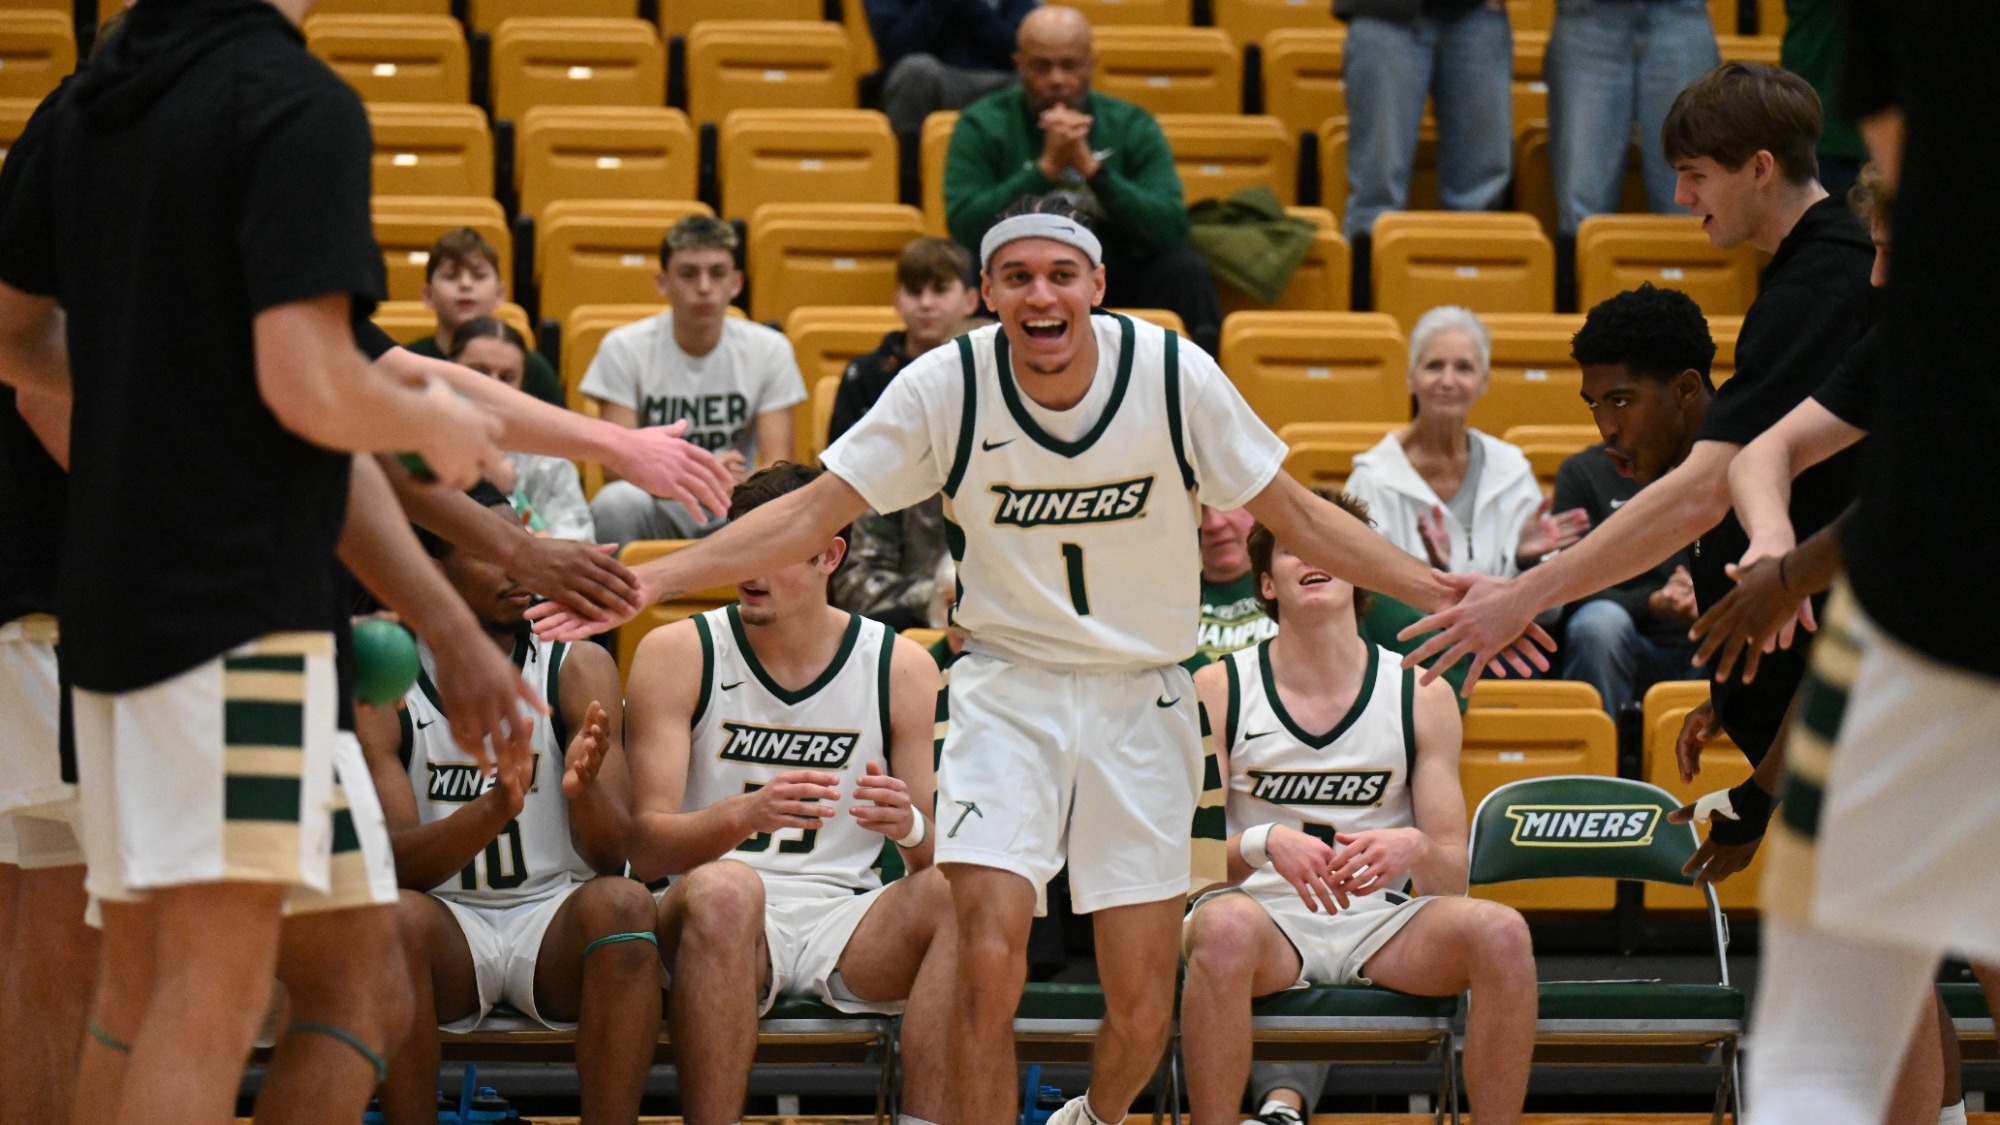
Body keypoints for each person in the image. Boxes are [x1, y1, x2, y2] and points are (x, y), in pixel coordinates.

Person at [532, 193, 1548, 1125]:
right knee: (985, 958)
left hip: (1142, 697)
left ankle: (1092, 1118)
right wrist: (654, 580)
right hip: (1005, 692)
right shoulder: (945, 385)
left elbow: (1293, 514)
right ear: (986, 295)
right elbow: (806, 510)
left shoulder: (1172, 374)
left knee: (1143, 1005)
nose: (1039, 293)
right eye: (1014, 276)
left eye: (1059, 273)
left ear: (1097, 287)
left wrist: (1447, 593)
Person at [1401, 62, 1874, 749]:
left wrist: (1522, 596)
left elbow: (1706, 490)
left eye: (1696, 173)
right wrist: (1732, 698)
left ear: (1761, 168)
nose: (1680, 195)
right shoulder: (1811, 272)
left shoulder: (1822, 285)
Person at [1682, 155, 1996, 1125]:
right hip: (1941, 665)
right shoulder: (1908, 343)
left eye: (1892, 255)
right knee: (1874, 924)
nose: (1871, 277)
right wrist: (1770, 538)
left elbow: (1907, 509)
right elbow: (1764, 452)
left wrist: (1781, 579)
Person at [1181, 502, 1535, 1125]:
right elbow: (1188, 870)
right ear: (1266, 583)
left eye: (1332, 547)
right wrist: (1265, 842)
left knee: (1503, 932)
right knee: (1222, 928)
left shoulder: (1423, 693)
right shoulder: (1218, 689)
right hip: (1261, 923)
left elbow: (1451, 877)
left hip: (1380, 923)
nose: (1313, 557)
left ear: (1359, 570)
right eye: (1292, 547)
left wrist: (1417, 849)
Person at [625, 462, 956, 1125]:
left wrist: (910, 828)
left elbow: (933, 857)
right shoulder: (677, 651)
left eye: (771, 549)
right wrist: (741, 813)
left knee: (963, 888)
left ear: (829, 554)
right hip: (713, 916)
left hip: (845, 917)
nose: (750, 568)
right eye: (739, 543)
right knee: (729, 889)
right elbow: (646, 848)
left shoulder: (902, 666)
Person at [359, 512, 659, 1125]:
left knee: (626, 905)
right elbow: (393, 868)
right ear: (432, 566)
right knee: (390, 920)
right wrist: (494, 808)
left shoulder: (577, 664)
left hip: (551, 921)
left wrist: (584, 791)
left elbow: (615, 856)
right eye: (492, 555)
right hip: (447, 927)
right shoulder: (387, 681)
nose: (518, 569)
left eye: (523, 552)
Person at [944, 6, 1224, 356]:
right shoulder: (982, 124)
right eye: (1042, 67)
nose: (1057, 79)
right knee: (965, 270)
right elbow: (965, 226)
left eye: (1070, 65)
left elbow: (1170, 227)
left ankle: (1208, 386)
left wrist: (1092, 170)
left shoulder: (1131, 125)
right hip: (1024, 280)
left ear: (1091, 63)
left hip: (1115, 273)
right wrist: (1045, 169)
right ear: (1020, 64)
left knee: (1185, 270)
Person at [583, 215, 807, 546]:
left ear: (736, 283)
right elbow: (617, 465)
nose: (704, 287)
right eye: (688, 273)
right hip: (660, 500)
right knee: (615, 503)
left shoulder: (770, 349)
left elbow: (775, 464)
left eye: (717, 273)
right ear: (662, 282)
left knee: (784, 504)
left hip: (735, 502)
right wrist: (699, 475)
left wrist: (741, 487)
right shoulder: (624, 348)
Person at [1555, 283, 1715, 716]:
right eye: (1595, 405)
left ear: (1684, 389)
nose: (1606, 427)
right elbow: (1570, 594)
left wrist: (1713, 601)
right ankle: (1597, 767)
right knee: (1598, 623)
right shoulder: (1582, 472)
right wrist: (1655, 603)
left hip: (1729, 651)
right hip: (1635, 644)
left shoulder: (1752, 463)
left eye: (1621, 401)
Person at [0, 382, 92, 1125]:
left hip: (28, 628)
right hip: (62, 631)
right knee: (148, 967)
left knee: (40, 966)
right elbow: (43, 392)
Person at [1343, 306, 1590, 578]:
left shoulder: (1511, 470)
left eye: (1464, 368)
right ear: (1410, 378)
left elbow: (1550, 610)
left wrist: (1525, 562)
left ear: (1483, 381)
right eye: (1434, 366)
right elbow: (1359, 594)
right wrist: (1432, 575)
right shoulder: (1372, 478)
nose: (1448, 381)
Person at [828, 238, 980, 630]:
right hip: (913, 636)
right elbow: (853, 583)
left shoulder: (1046, 470)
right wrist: (938, 594)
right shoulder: (892, 468)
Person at [1335, 0, 1512, 243]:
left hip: (1477, 16)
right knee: (1376, 193)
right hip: (1382, 15)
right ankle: (1367, 278)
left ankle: (1471, 277)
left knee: (1479, 198)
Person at [1544, 0, 1719, 238]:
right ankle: (1578, 274)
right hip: (1586, 12)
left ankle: (1689, 273)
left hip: (1681, 10)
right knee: (1583, 204)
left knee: (1689, 198)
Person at [448, 317, 595, 542]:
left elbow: (580, 548)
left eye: (507, 377)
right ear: (447, 373)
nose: (493, 385)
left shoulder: (551, 463)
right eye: (479, 372)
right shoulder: (416, 452)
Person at [408, 227, 564, 409]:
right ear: (427, 295)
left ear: (500, 294)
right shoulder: (408, 361)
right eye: (451, 276)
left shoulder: (534, 369)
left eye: (479, 276)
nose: (465, 285)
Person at [870, 0, 1038, 151]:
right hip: (934, 81)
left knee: (1037, 79)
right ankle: (907, 179)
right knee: (914, 71)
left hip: (998, 82)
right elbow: (893, 54)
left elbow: (1019, 53)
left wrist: (970, 7)